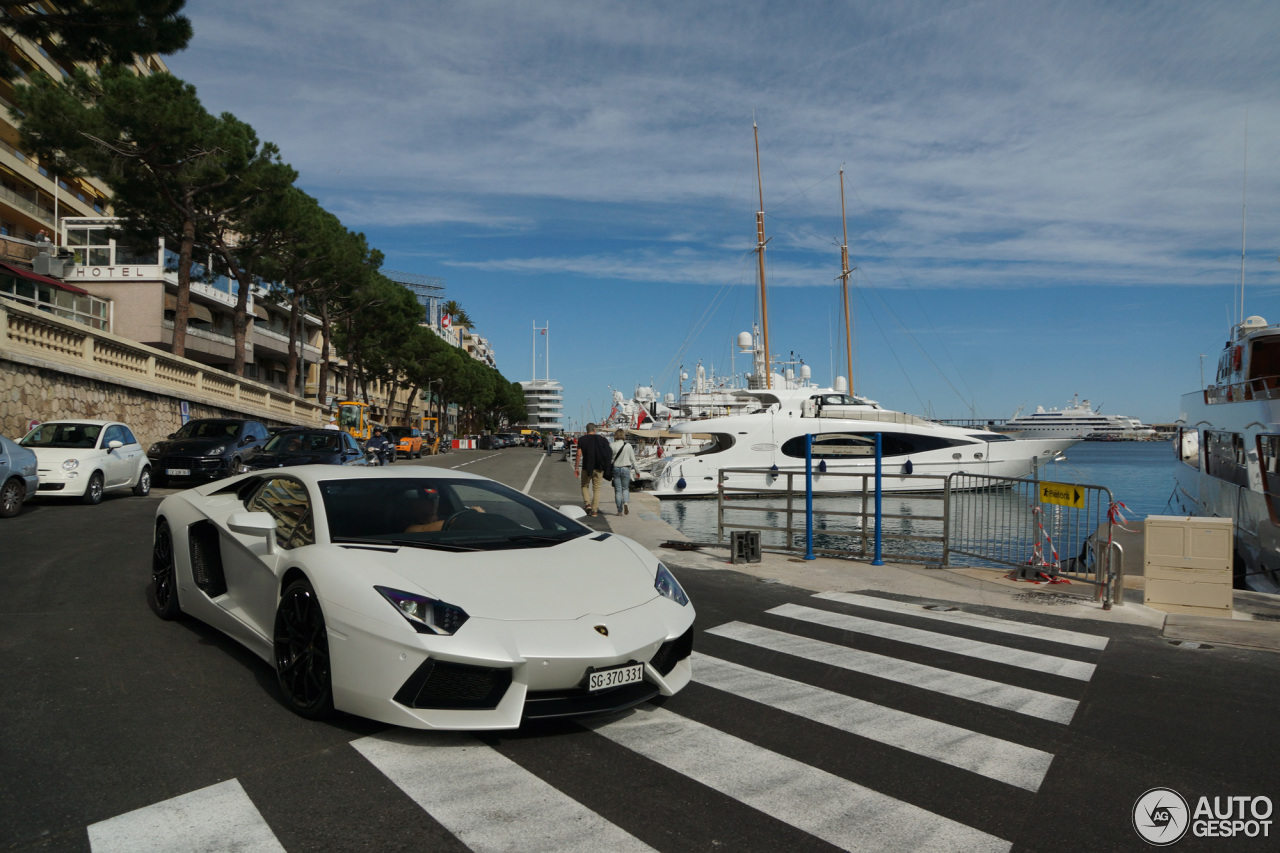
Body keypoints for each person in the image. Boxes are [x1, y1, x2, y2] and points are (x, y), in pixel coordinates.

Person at [574, 423, 612, 516]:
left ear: (586, 430)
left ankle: (588, 504)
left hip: (586, 467)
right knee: (597, 489)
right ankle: (595, 511)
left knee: (584, 485)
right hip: (599, 467)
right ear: (595, 430)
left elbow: (579, 454)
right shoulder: (602, 439)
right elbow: (609, 452)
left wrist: (576, 467)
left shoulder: (582, 439)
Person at [609, 428, 638, 516]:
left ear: (616, 436)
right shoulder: (628, 446)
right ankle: (626, 503)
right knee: (625, 488)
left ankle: (619, 511)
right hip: (626, 468)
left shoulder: (612, 445)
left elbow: (609, 459)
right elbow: (633, 460)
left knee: (618, 490)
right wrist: (637, 471)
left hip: (616, 468)